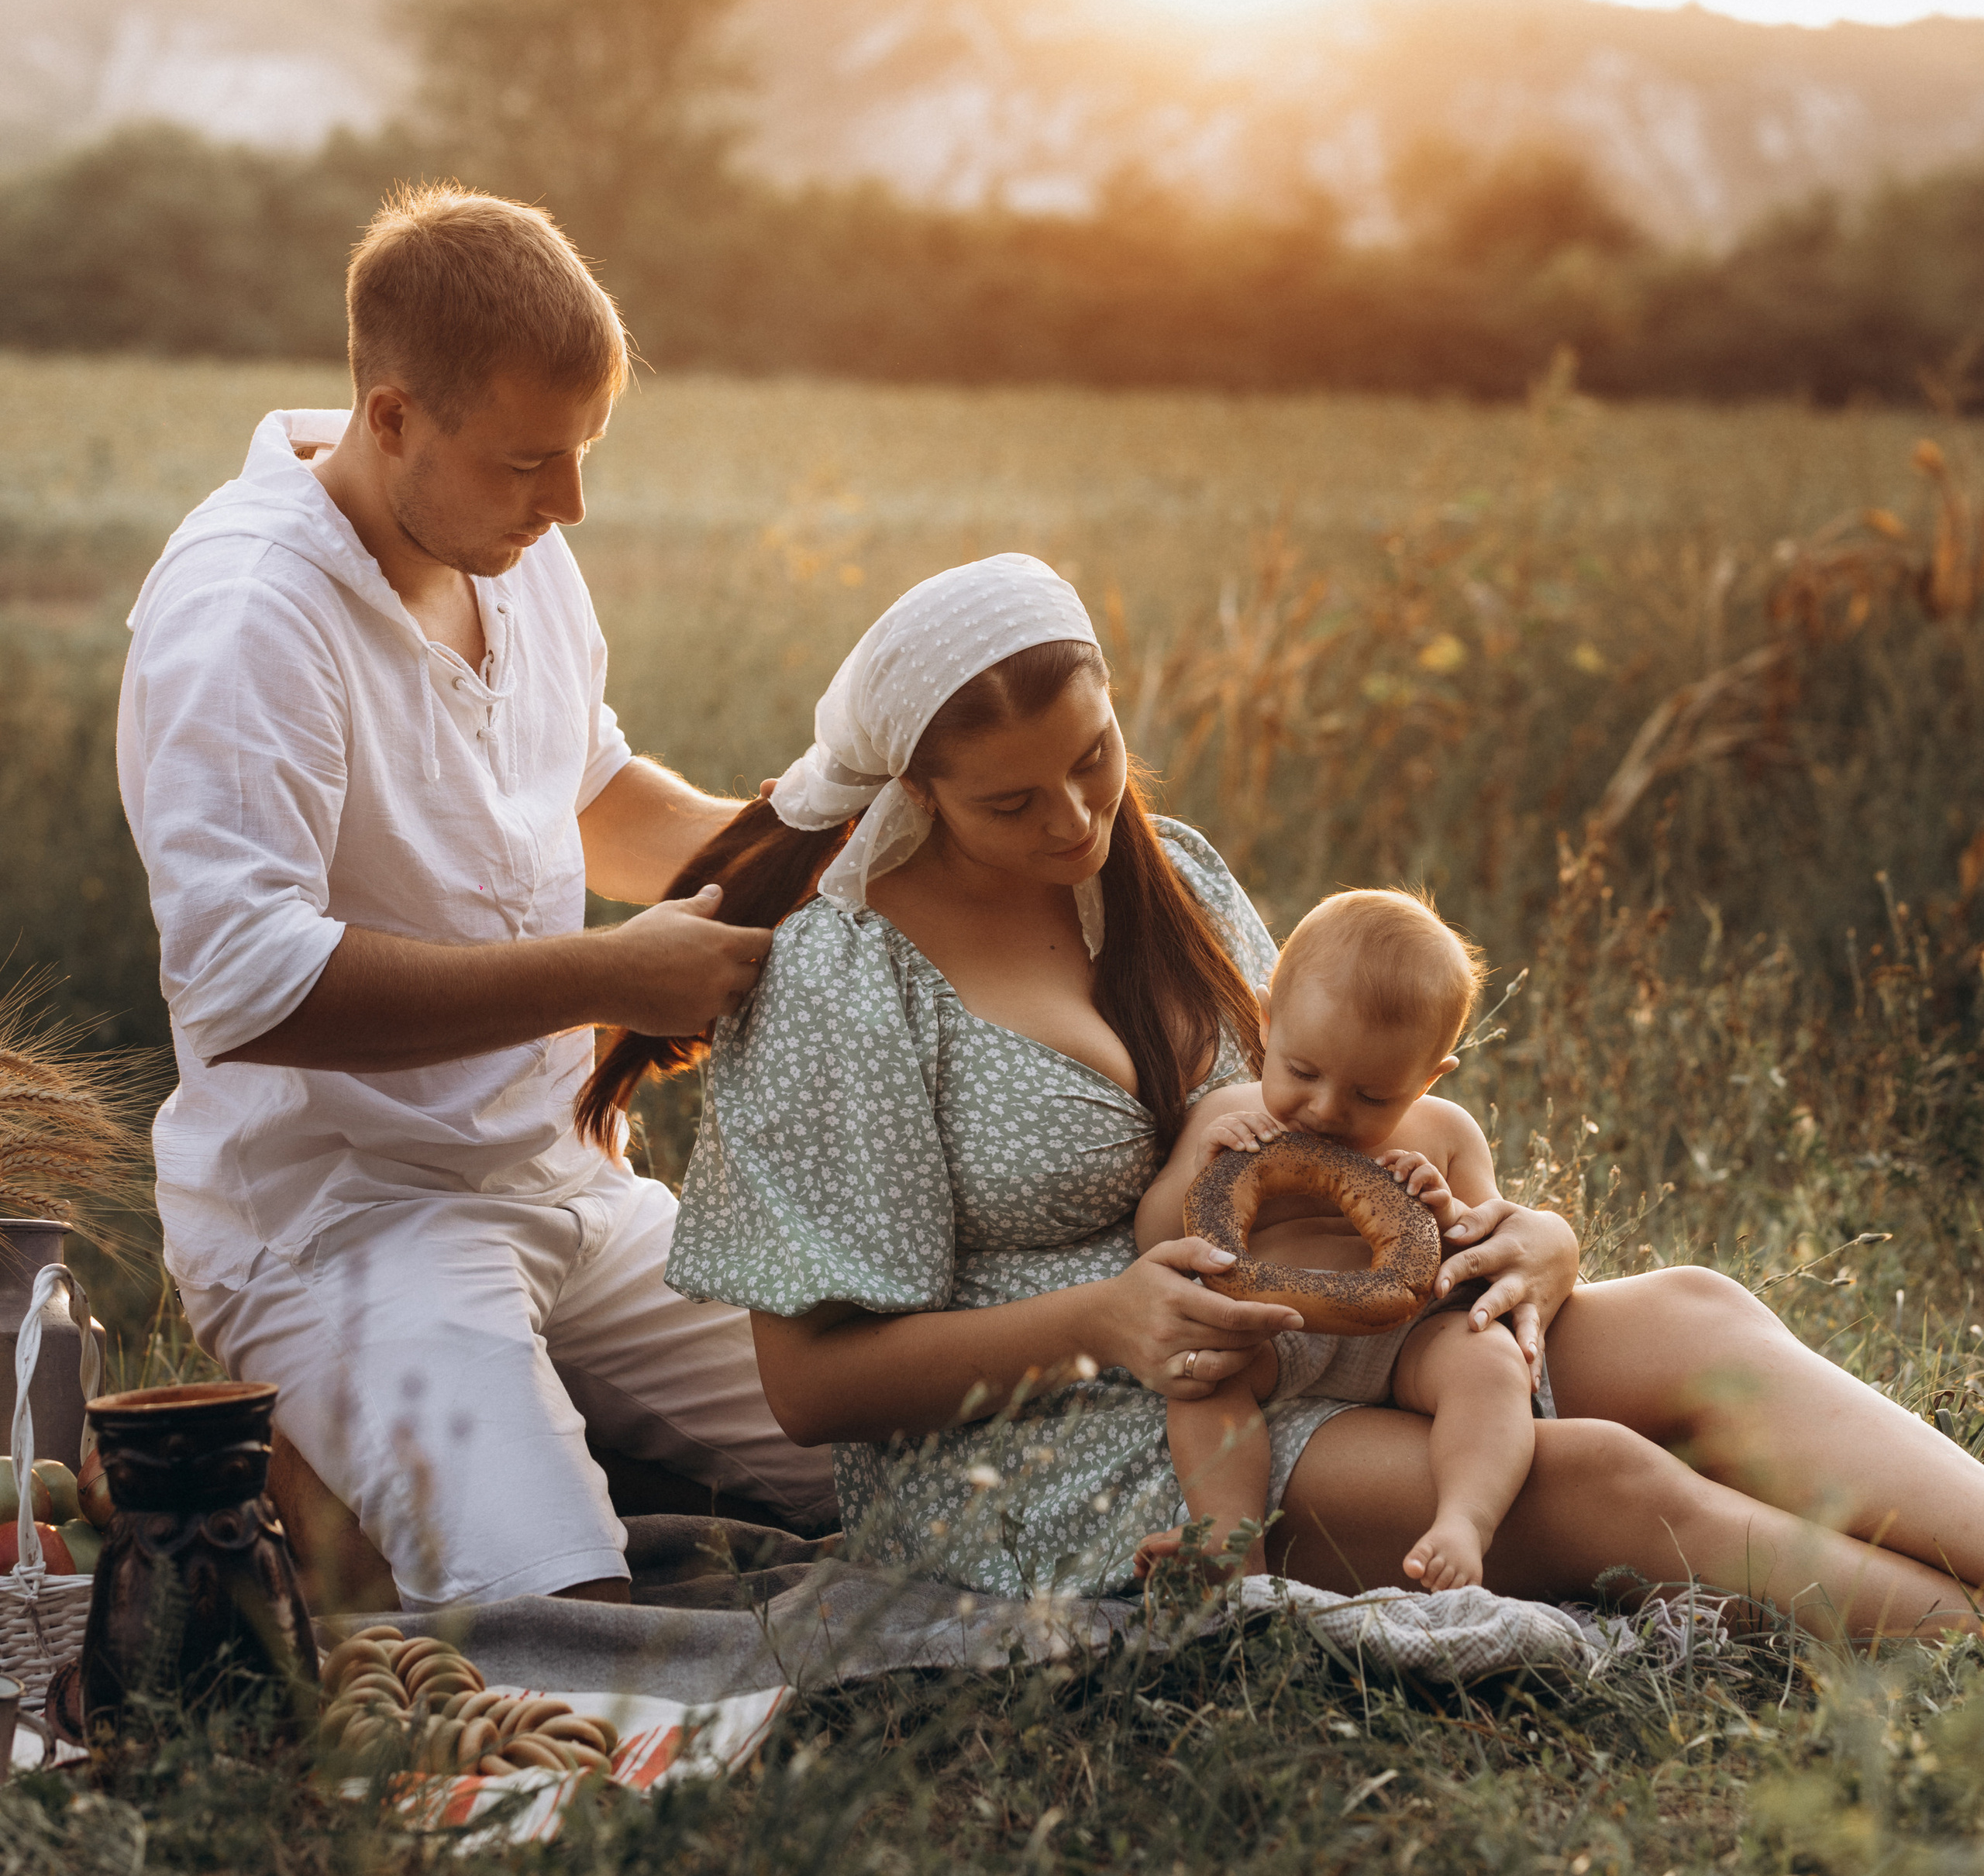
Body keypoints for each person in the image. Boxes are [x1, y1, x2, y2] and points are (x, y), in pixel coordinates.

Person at [639, 554, 1984, 1638]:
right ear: (914, 790)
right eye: (1011, 802)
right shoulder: (844, 977)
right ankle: (1956, 1655)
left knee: (1702, 1318)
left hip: (1330, 1330)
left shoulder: (1175, 883)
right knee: (1601, 1482)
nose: (1074, 821)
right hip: (1055, 1452)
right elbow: (809, 1390)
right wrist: (1107, 1321)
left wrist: (1525, 1240)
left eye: (1094, 756)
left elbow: (1342, 1120)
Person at [117, 184, 834, 1618]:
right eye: (531, 463)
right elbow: (251, 984)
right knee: (552, 1607)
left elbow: (601, 794)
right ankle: (358, 1493)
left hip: (575, 1182)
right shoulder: (248, 613)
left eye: (578, 456)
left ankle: (514, 1472)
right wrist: (611, 978)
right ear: (391, 419)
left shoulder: (508, 543)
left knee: (917, 1463)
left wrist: (812, 850)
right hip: (348, 1223)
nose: (569, 503)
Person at [1132, 888, 1537, 1592]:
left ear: (1428, 1076)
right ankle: (1229, 1538)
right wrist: (1203, 1168)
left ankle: (1466, 1522)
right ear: (1266, 1022)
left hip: (1405, 1341)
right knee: (1201, 1377)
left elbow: (1480, 1254)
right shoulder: (1226, 1119)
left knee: (1491, 1367)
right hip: (1270, 1334)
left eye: (1373, 1097)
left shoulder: (1445, 1134)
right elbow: (1154, 1240)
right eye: (1303, 1073)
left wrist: (1442, 1209)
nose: (1326, 1110)